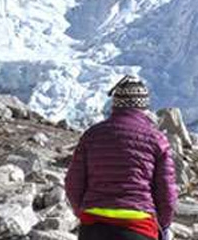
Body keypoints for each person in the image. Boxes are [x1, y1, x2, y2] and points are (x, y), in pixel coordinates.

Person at [65, 76, 178, 240]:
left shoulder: (92, 135)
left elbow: (73, 182)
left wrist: (82, 211)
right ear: (144, 107)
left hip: (93, 225)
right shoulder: (157, 139)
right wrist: (164, 225)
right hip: (138, 225)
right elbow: (166, 192)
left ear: (115, 105)